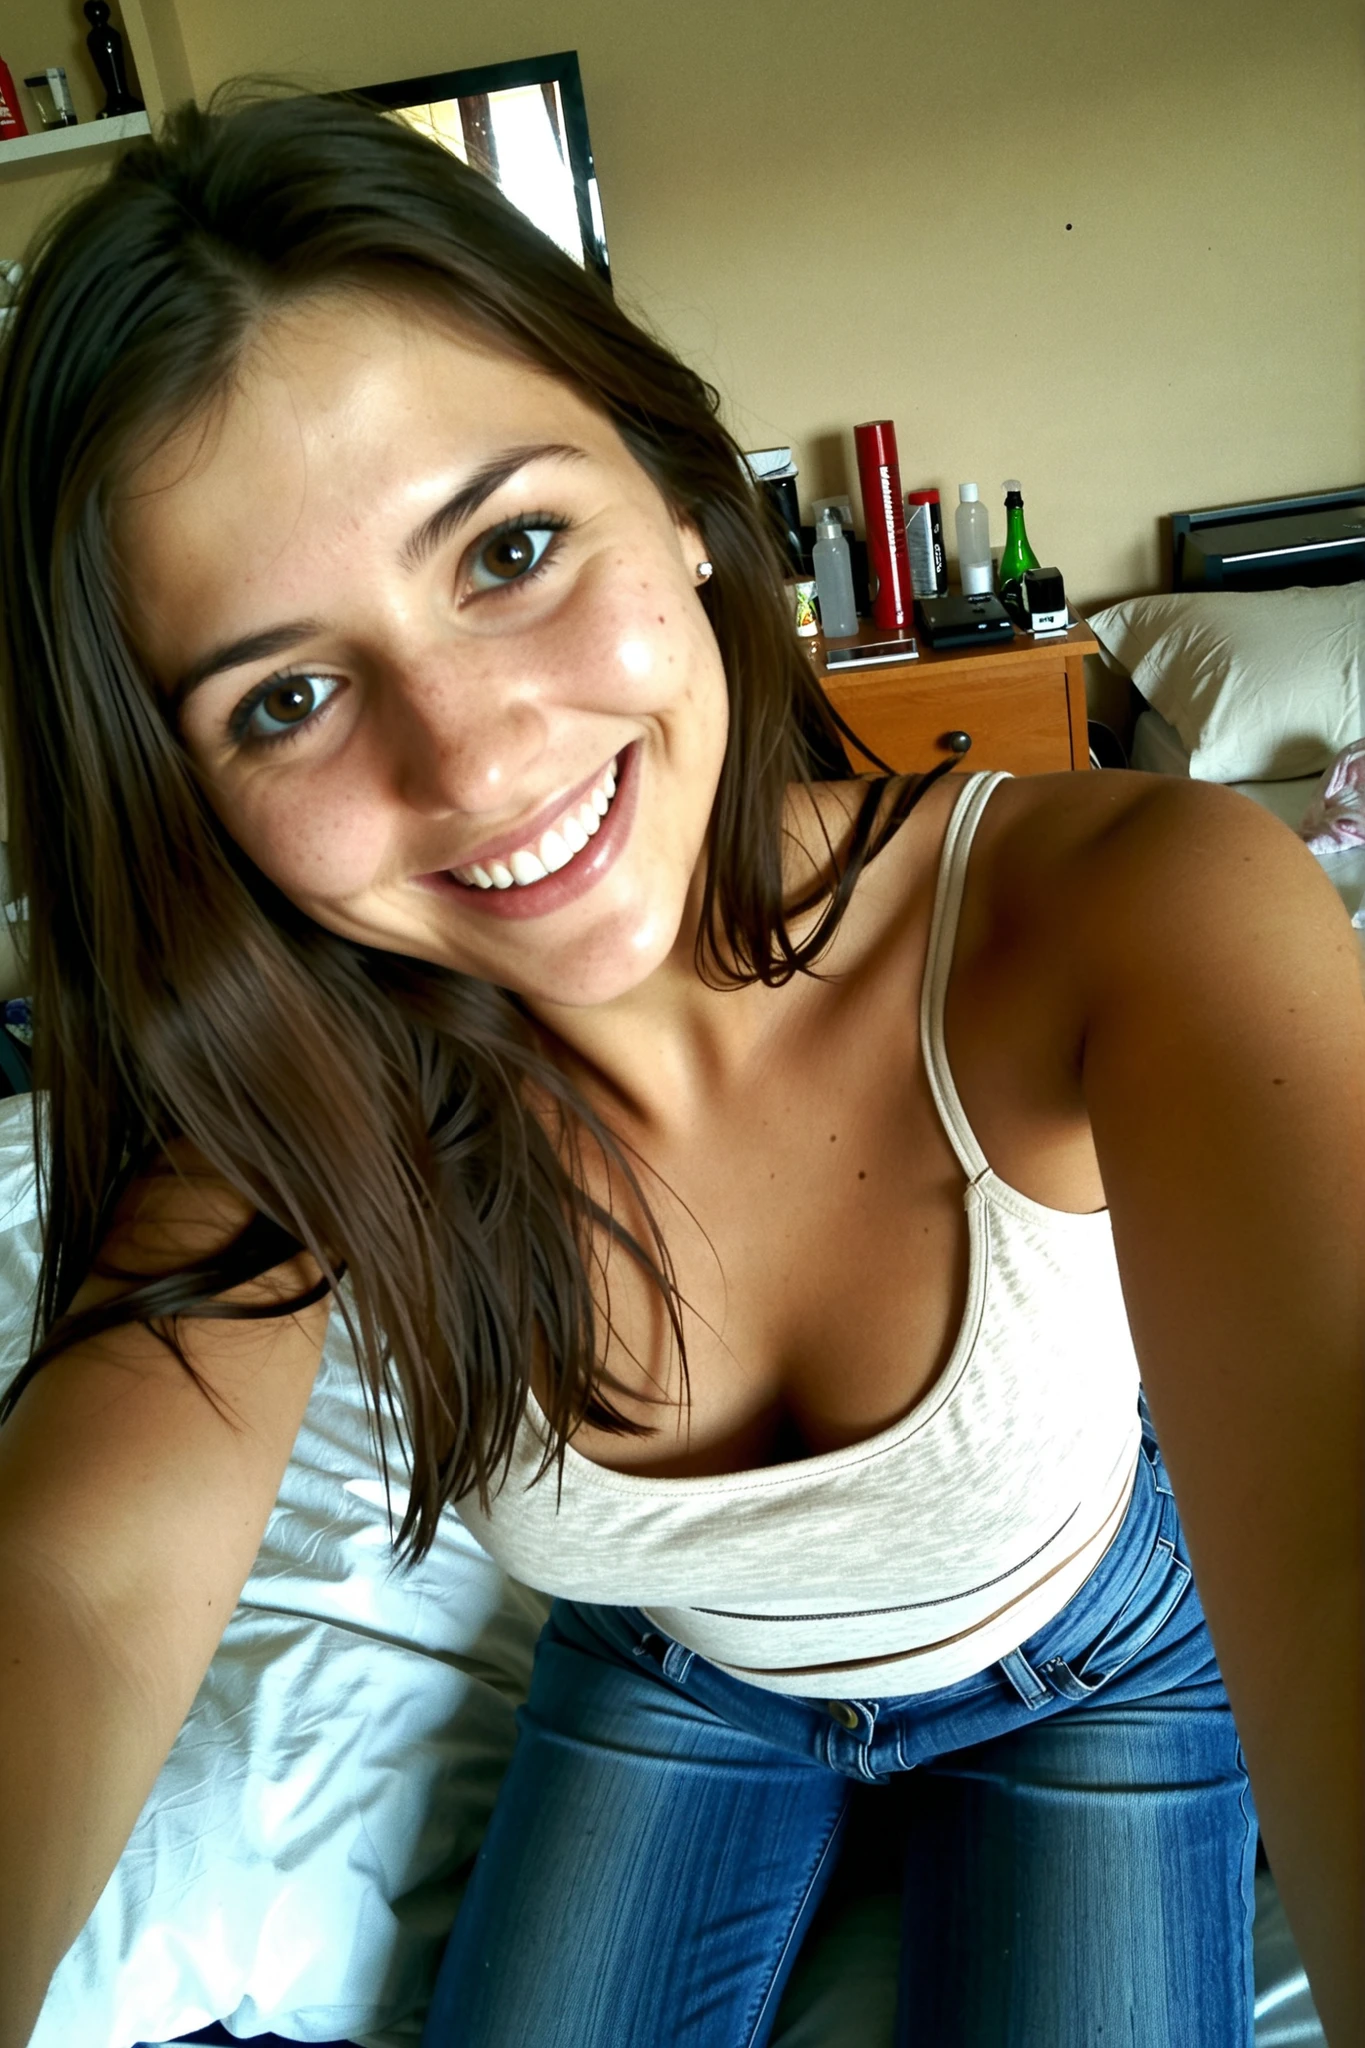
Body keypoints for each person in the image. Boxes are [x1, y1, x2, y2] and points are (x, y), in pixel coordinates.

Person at [0, 91, 1359, 2048]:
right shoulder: (304, 1098)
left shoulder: (1127, 911)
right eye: (285, 696)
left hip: (1098, 1666)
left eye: (512, 546)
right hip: (668, 1676)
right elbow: (73, 1586)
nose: (470, 761)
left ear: (678, 494)